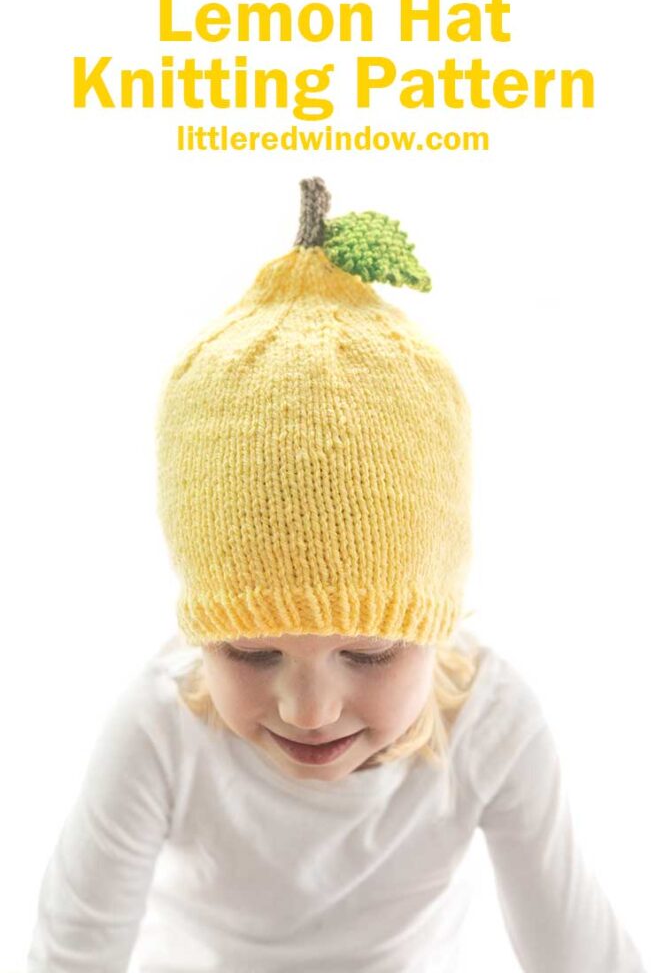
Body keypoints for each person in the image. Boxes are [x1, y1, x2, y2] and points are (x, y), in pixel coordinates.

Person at [26, 178, 647, 972]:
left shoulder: (490, 725)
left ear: (435, 622)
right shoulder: (158, 731)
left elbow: (583, 955)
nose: (308, 708)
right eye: (251, 654)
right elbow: (70, 955)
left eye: (370, 653)